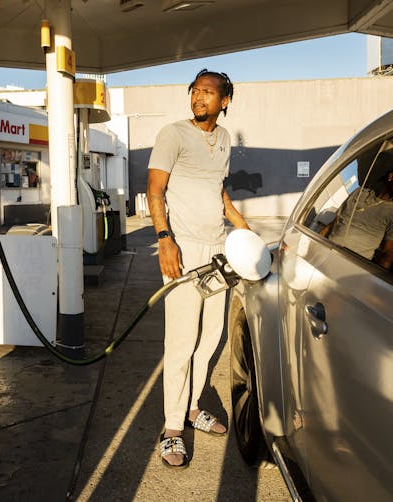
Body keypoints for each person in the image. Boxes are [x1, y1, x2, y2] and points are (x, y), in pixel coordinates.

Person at [146, 69, 250, 469]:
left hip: (217, 249)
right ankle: (172, 429)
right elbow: (155, 189)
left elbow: (219, 193)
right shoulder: (173, 134)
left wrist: (245, 232)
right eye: (195, 90)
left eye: (208, 92)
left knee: (210, 338)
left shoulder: (223, 139)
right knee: (181, 342)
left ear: (224, 101)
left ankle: (191, 408)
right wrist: (163, 239)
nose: (199, 97)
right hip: (183, 249)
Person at [322, 163, 393, 269]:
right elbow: (333, 224)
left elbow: (387, 255)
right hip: (322, 252)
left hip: (351, 267)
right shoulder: (359, 193)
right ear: (392, 177)